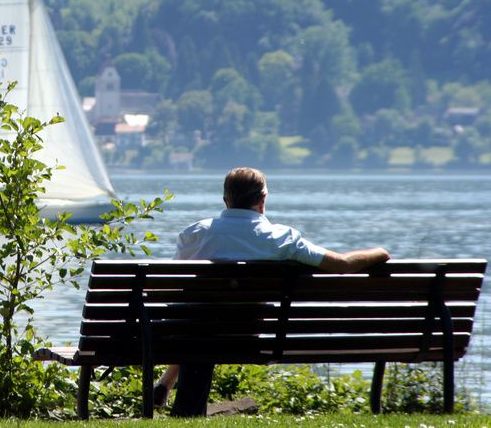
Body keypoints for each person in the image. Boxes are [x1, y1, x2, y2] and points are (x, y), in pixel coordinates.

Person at [155, 167, 390, 417]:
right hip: (247, 335)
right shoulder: (283, 238)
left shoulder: (195, 233)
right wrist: (381, 251)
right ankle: (168, 385)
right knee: (206, 322)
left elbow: (173, 286)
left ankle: (170, 389)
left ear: (226, 200)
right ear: (263, 200)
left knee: (198, 319)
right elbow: (343, 264)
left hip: (194, 333)